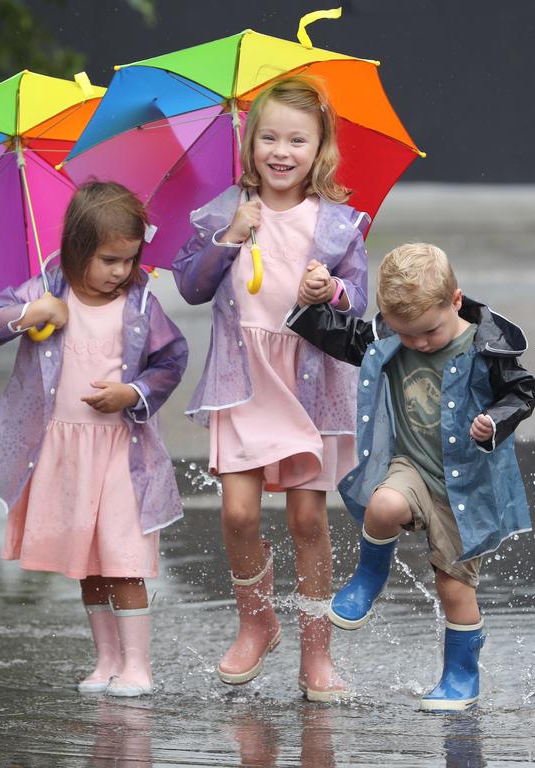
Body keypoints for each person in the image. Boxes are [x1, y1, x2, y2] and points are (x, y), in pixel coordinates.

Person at [172, 77, 369, 701]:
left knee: (309, 518)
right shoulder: (222, 214)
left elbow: (360, 299)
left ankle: (318, 652)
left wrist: (329, 291)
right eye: (269, 137)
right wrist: (230, 236)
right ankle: (257, 621)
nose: (281, 152)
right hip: (243, 379)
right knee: (238, 512)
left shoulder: (337, 225)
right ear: (249, 141)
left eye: (297, 140)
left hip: (308, 382)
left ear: (320, 149)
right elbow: (190, 286)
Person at [286, 242, 535, 711]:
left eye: (429, 332)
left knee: (454, 588)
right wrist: (313, 299)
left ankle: (461, 675)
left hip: (467, 486)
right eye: (407, 334)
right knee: (383, 505)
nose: (419, 343)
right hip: (412, 468)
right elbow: (339, 335)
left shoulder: (488, 347)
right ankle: (368, 577)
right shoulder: (391, 338)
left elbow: (522, 392)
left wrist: (495, 423)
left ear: (455, 301)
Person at [0, 182, 188, 697]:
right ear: (75, 249)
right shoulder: (46, 289)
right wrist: (33, 314)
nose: (120, 272)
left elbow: (171, 359)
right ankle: (107, 659)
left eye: (129, 261)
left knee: (123, 558)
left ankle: (138, 666)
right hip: (67, 454)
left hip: (120, 453)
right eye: (109, 260)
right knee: (88, 562)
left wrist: (132, 392)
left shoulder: (140, 305)